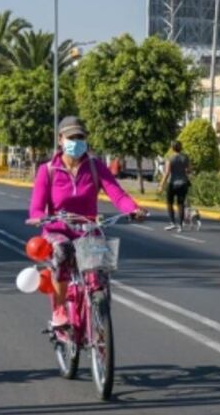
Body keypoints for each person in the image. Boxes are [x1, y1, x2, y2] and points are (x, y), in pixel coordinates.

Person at [27, 116, 146, 327]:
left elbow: (118, 195)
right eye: (71, 137)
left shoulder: (95, 167)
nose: (76, 142)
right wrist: (39, 217)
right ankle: (59, 309)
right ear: (60, 139)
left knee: (99, 274)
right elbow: (36, 207)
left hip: (88, 230)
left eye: (80, 137)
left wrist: (133, 209)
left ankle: (99, 312)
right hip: (58, 230)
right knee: (63, 250)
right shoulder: (48, 170)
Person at [158, 140, 192, 232]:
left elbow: (167, 173)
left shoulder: (170, 158)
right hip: (183, 183)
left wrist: (161, 185)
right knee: (181, 204)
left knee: (169, 203)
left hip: (172, 183)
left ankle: (173, 223)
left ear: (172, 148)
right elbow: (189, 170)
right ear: (181, 147)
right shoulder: (185, 157)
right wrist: (183, 171)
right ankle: (180, 225)